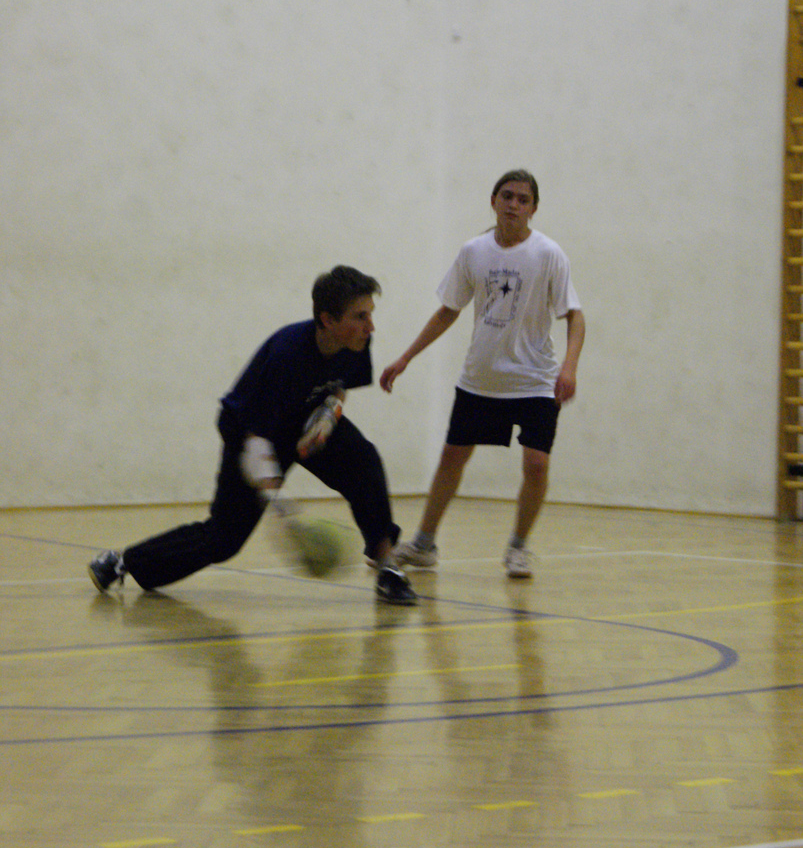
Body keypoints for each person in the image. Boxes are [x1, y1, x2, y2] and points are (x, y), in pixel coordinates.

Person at [89, 266, 417, 605]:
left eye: (370, 315)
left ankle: (387, 568)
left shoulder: (356, 341)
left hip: (304, 421)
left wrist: (330, 414)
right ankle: (121, 562)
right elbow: (255, 441)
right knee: (223, 541)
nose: (370, 326)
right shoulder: (286, 355)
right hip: (251, 433)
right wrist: (279, 503)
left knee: (363, 459)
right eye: (360, 316)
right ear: (328, 319)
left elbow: (340, 385)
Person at [380, 170, 585, 579]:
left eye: (523, 199)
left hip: (535, 381)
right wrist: (405, 358)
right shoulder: (473, 251)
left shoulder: (549, 254)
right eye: (507, 196)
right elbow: (448, 311)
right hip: (481, 379)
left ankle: (518, 547)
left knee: (536, 465)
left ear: (534, 208)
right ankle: (423, 545)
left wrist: (570, 367)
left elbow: (575, 316)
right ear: (493, 201)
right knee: (451, 458)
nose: (514, 204)